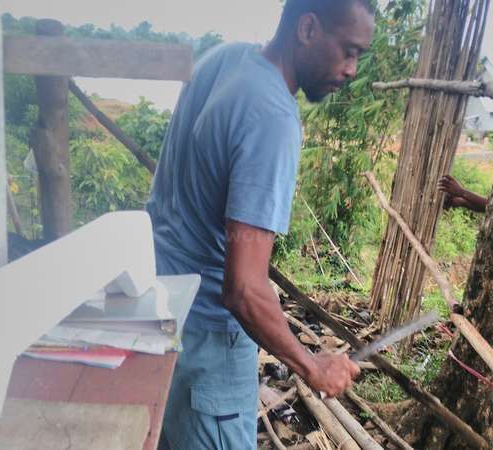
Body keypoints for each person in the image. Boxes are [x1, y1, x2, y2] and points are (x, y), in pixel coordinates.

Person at [145, 1, 375, 448]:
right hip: (210, 344)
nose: (351, 70)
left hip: (163, 316)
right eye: (348, 50)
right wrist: (312, 365)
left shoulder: (223, 58)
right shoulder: (272, 116)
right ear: (307, 28)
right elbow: (244, 290)